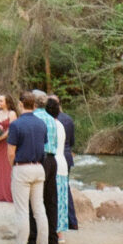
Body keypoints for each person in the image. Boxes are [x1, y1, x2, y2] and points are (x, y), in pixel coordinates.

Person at [2, 90, 49, 244]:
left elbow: (10, 152)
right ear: (35, 106)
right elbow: (42, 145)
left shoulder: (16, 125)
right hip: (38, 167)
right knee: (39, 210)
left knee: (23, 211)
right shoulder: (41, 124)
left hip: (22, 168)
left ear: (21, 105)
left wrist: (14, 167)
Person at [28, 90, 59, 244]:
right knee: (50, 201)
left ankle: (33, 240)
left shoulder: (35, 118)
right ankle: (53, 241)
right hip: (52, 160)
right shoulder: (52, 119)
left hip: (40, 160)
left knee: (34, 201)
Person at [46, 96, 68, 242]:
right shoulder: (60, 125)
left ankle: (55, 231)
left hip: (54, 163)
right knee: (61, 198)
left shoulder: (50, 125)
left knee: (53, 199)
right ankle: (59, 231)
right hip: (62, 163)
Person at [56, 95, 78, 229]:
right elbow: (72, 141)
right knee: (66, 188)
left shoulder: (53, 120)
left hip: (57, 156)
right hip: (67, 155)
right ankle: (72, 221)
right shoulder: (68, 119)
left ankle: (61, 222)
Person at [0, 93, 17, 203]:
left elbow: (12, 129)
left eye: (1, 101)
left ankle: (8, 193)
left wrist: (1, 137)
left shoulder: (12, 113)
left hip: (7, 142)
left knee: (7, 166)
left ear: (7, 102)